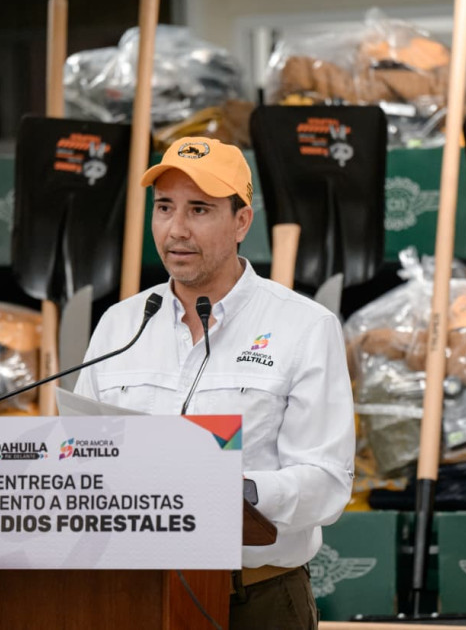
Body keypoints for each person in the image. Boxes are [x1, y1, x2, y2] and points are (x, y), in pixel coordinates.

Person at [74, 137, 355, 629]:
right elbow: (79, 456)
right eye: (164, 207)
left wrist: (240, 491)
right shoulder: (120, 325)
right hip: (129, 594)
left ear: (242, 221)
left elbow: (327, 481)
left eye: (199, 210)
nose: (176, 229)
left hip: (254, 599)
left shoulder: (304, 326)